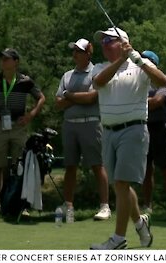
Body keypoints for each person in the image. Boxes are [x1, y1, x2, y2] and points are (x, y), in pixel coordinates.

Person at [89, 28, 166, 250]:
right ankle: (140, 223)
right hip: (108, 131)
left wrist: (140, 61)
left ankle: (118, 239)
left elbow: (163, 82)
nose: (104, 44)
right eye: (102, 41)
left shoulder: (139, 64)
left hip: (133, 129)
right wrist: (121, 60)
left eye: (109, 40)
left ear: (124, 43)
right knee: (119, 186)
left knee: (122, 183)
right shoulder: (100, 67)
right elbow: (99, 83)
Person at [0, 48, 45, 215]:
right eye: (1, 59)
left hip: (19, 127)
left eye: (7, 59)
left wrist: (30, 115)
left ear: (16, 61)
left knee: (19, 167)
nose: (3, 62)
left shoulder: (25, 81)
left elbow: (41, 98)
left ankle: (20, 205)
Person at [54, 38, 111, 221]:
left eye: (79, 51)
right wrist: (77, 97)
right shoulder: (67, 75)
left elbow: (92, 98)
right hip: (70, 124)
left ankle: (104, 206)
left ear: (88, 53)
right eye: (74, 51)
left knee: (97, 165)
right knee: (70, 166)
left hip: (91, 123)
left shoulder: (97, 72)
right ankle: (68, 206)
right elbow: (58, 104)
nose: (75, 54)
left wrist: (69, 95)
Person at [140, 51, 166, 214]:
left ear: (153, 63)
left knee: (165, 167)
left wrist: (139, 102)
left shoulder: (165, 80)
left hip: (160, 128)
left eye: (146, 60)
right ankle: (147, 206)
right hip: (143, 127)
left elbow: (157, 102)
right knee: (146, 169)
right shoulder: (139, 81)